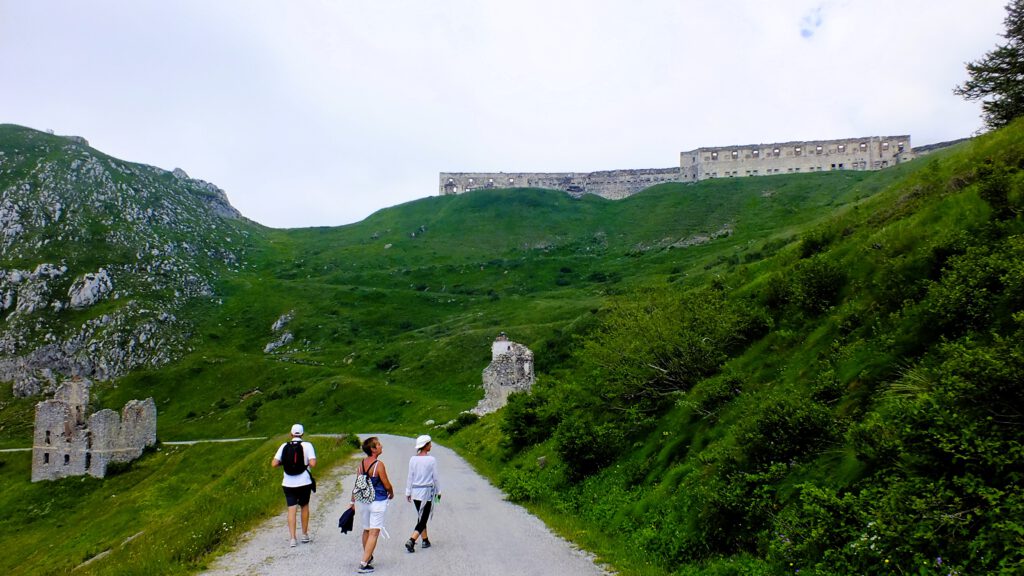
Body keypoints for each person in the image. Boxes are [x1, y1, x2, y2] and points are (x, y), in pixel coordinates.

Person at [349, 436, 394, 573]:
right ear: (373, 449)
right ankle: (363, 564)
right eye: (378, 445)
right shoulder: (378, 465)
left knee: (366, 530)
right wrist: (391, 492)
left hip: (363, 501)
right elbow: (386, 484)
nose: (381, 446)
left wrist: (352, 501)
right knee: (374, 532)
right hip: (377, 501)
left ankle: (367, 557)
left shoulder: (361, 464)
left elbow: (358, 484)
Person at [271, 423, 317, 547]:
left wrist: (285, 462)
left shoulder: (284, 446)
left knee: (291, 509)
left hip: (288, 483)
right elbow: (313, 463)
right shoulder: (307, 445)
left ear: (291, 434)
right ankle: (305, 535)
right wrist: (305, 462)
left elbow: (274, 464)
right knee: (304, 507)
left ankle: (292, 538)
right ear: (302, 434)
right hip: (304, 482)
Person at [404, 434, 441, 553]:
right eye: (429, 443)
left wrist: (408, 491)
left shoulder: (413, 459)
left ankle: (425, 540)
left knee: (421, 516)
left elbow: (410, 476)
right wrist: (438, 491)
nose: (431, 445)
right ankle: (412, 539)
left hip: (415, 492)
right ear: (425, 446)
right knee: (423, 518)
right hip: (427, 492)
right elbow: (435, 478)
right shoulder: (431, 460)